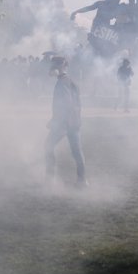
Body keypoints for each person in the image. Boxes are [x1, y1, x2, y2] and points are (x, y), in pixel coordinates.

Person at [44, 56, 86, 188]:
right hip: (74, 122)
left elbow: (65, 104)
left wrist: (56, 121)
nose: (51, 67)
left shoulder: (62, 82)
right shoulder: (71, 81)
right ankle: (82, 181)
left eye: (54, 65)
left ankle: (50, 179)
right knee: (77, 152)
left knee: (48, 146)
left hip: (64, 123)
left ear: (61, 66)